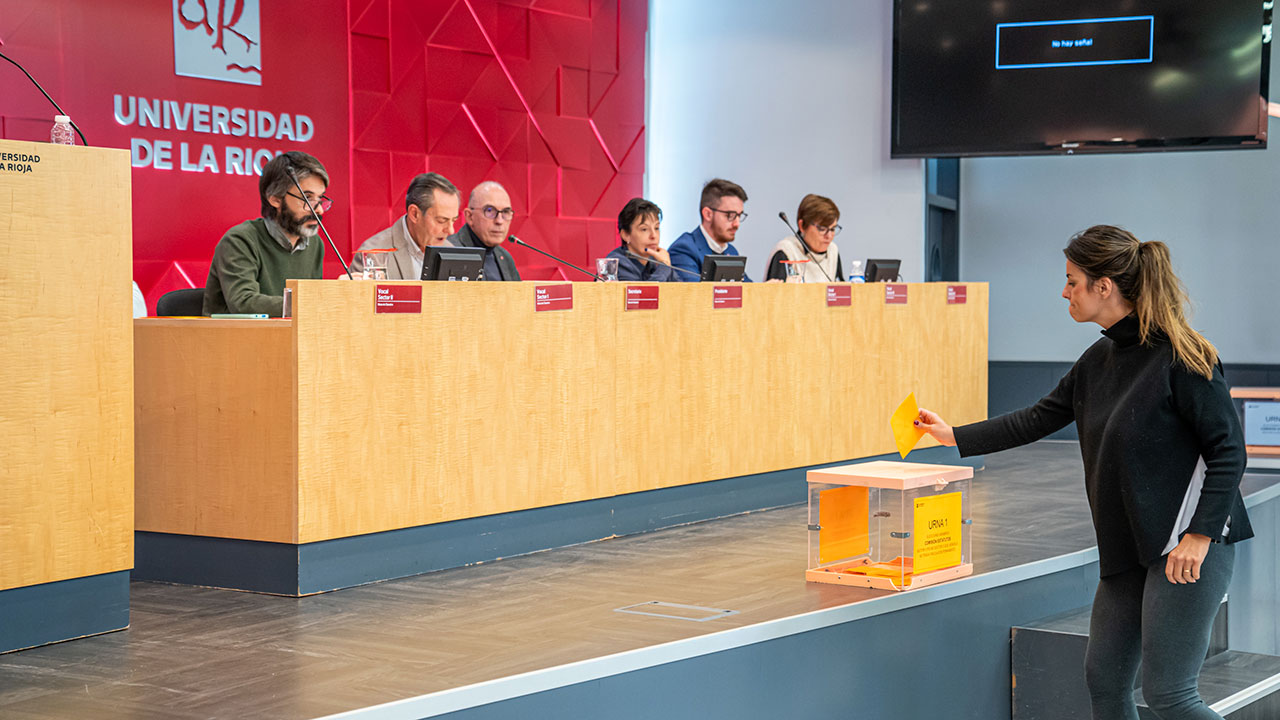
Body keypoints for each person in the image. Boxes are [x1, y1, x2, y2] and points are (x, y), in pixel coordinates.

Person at [915, 225, 1251, 720]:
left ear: (1104, 286)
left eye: (1072, 280)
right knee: (1105, 685)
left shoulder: (1184, 356)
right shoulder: (1099, 358)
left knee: (1170, 696)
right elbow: (1038, 417)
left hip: (1189, 545)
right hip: (1130, 544)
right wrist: (956, 436)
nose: (1065, 291)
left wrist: (1199, 535)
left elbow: (1230, 452)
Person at [203, 151, 328, 316]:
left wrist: (336, 294)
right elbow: (244, 303)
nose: (318, 209)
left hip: (288, 338)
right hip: (234, 338)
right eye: (307, 198)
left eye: (320, 199)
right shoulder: (240, 240)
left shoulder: (315, 244)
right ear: (275, 199)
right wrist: (316, 302)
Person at [351, 172, 460, 280]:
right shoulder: (374, 255)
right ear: (414, 214)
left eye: (454, 220)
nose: (451, 230)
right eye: (441, 220)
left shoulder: (451, 251)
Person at [668, 178, 751, 281]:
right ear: (708, 214)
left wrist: (767, 287)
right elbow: (695, 294)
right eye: (730, 215)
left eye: (739, 215)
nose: (737, 224)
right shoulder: (683, 249)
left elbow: (747, 289)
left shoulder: (731, 251)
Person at [447, 181, 521, 281]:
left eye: (505, 212)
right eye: (489, 211)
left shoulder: (505, 257)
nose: (499, 221)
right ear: (469, 216)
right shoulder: (450, 251)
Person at [765, 194, 844, 282]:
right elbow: (774, 293)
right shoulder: (786, 250)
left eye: (833, 229)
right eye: (822, 229)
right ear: (802, 226)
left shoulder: (833, 250)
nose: (829, 236)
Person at [605, 198, 681, 282]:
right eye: (644, 229)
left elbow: (683, 292)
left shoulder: (654, 261)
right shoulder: (615, 264)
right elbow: (643, 294)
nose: (654, 235)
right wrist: (664, 265)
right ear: (626, 235)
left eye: (656, 228)